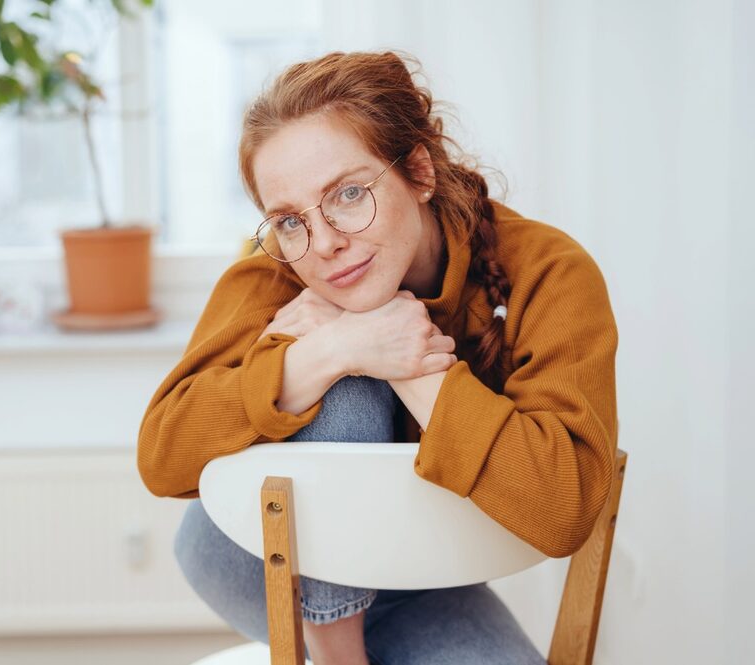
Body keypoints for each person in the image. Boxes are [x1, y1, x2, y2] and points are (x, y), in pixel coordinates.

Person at [137, 50, 618, 664]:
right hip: (257, 558)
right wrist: (330, 352)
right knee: (346, 382)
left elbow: (564, 510)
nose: (327, 243)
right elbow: (160, 458)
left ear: (419, 172)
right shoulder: (275, 276)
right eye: (288, 220)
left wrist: (412, 363)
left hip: (416, 585)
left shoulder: (549, 273)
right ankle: (341, 656)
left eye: (349, 193)